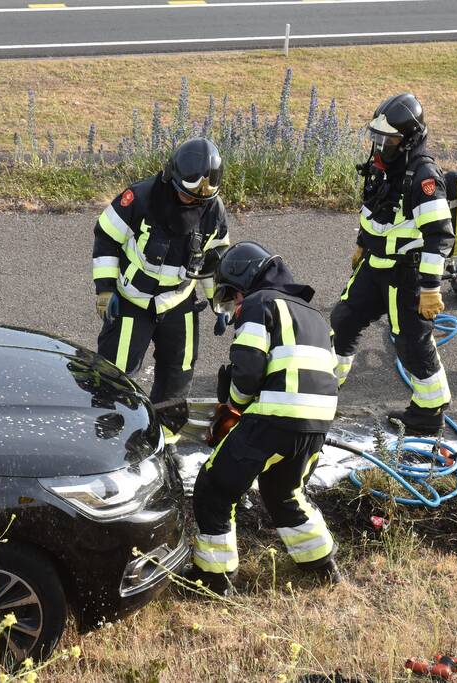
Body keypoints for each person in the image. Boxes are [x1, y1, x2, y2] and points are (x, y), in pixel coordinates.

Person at [188, 242, 342, 594]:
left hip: (274, 418)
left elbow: (248, 370)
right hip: (317, 423)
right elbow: (332, 373)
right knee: (283, 491)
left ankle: (214, 580)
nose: (234, 307)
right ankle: (323, 566)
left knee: (215, 487)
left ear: (246, 281)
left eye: (233, 297)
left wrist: (234, 407)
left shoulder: (259, 304)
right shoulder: (314, 315)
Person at [92, 138, 230, 452]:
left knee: (178, 376)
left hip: (179, 303)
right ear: (171, 178)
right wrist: (105, 289)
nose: (194, 204)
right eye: (188, 195)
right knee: (115, 375)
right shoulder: (138, 198)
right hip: (131, 301)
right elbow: (106, 239)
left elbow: (214, 260)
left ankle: (161, 444)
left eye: (201, 200)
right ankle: (106, 442)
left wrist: (218, 302)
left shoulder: (212, 210)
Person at [330, 93, 455, 435]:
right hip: (374, 265)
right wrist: (361, 244)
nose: (380, 145)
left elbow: (440, 237)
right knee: (343, 320)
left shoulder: (424, 178)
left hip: (406, 274)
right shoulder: (382, 167)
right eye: (377, 138)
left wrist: (430, 289)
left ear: (408, 140)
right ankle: (323, 392)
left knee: (410, 344)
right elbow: (374, 210)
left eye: (388, 139)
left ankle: (429, 412)